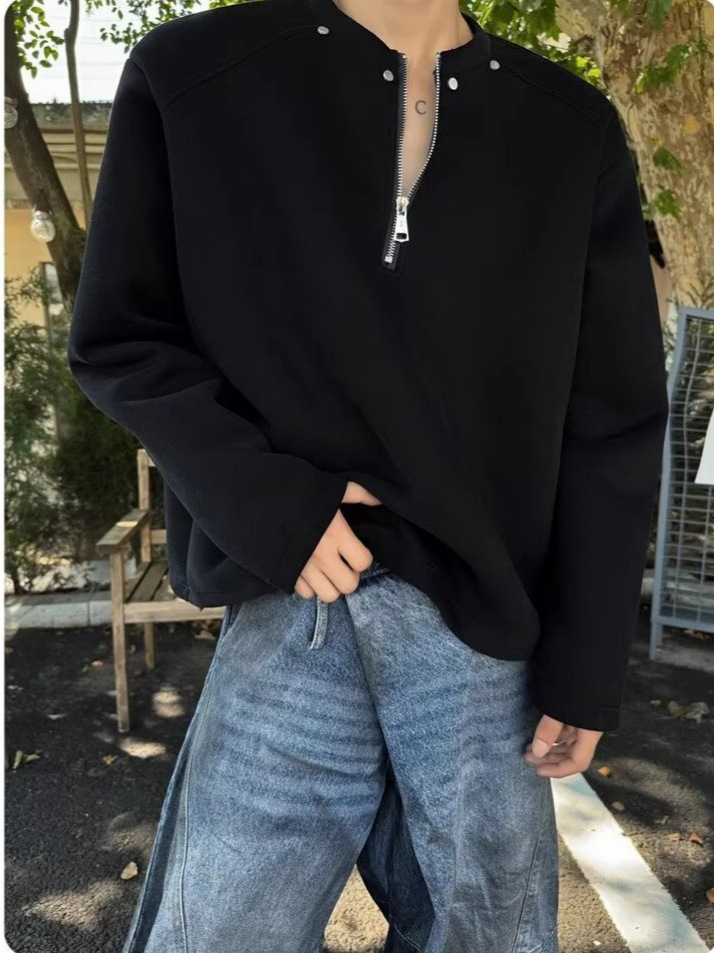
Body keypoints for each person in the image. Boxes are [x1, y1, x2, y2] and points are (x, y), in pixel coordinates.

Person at [66, 0, 670, 950]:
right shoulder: (196, 74)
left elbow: (611, 420)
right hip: (295, 606)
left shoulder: (571, 127)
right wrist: (270, 505)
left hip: (482, 637)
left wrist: (587, 665)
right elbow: (122, 337)